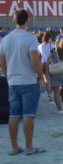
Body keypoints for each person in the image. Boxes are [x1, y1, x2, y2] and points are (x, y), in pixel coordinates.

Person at [0, 9, 45, 156]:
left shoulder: (5, 40)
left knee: (13, 115)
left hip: (13, 81)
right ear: (27, 21)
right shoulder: (30, 39)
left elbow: (2, 62)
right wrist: (41, 77)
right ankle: (28, 147)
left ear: (14, 21)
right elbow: (35, 62)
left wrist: (8, 75)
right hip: (28, 81)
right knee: (28, 114)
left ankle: (14, 147)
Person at [38, 31, 55, 102]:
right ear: (49, 38)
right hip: (51, 64)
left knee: (46, 80)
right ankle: (52, 93)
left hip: (43, 64)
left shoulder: (40, 46)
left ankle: (49, 95)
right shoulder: (52, 45)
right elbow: (55, 55)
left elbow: (39, 56)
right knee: (52, 80)